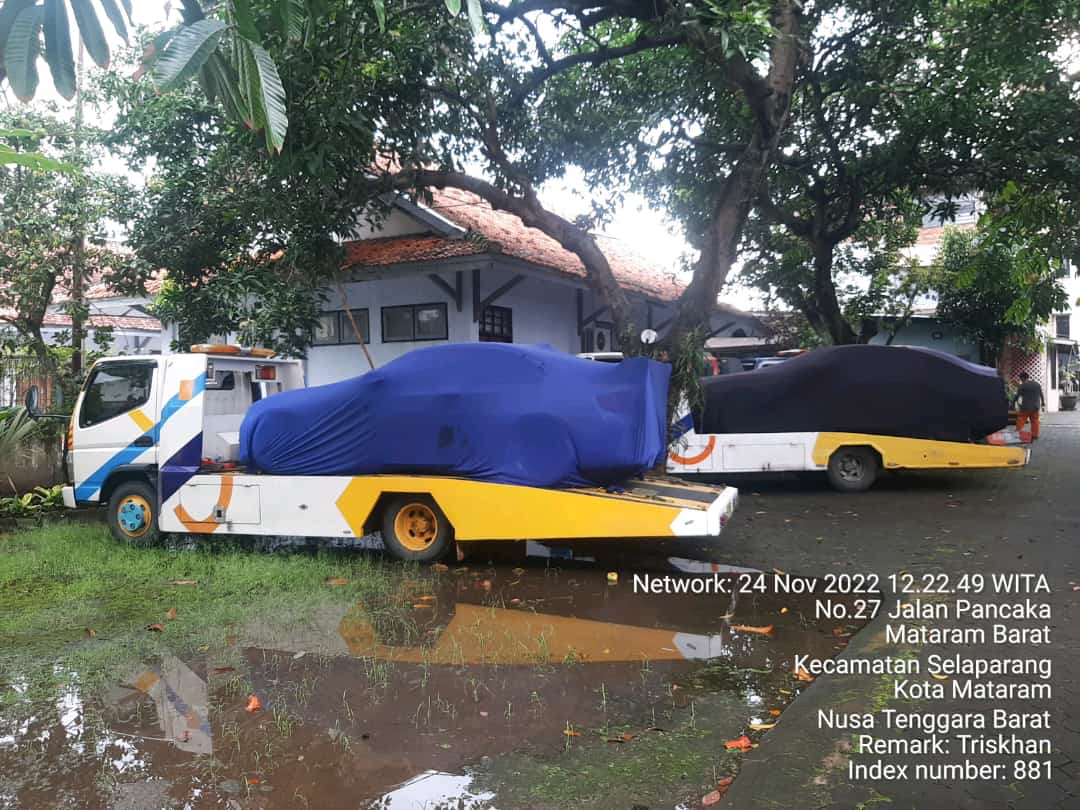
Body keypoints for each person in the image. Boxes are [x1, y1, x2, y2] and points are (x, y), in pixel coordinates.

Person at [1013, 372, 1044, 441]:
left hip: (1025, 407)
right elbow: (1041, 394)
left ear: (1022, 378)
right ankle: (1035, 435)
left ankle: (1017, 433)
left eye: (1020, 378)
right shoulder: (1037, 384)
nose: (1020, 380)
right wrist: (1043, 403)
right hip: (1035, 407)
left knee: (1021, 419)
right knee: (1035, 421)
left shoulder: (1022, 386)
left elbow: (1017, 396)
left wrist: (1013, 403)